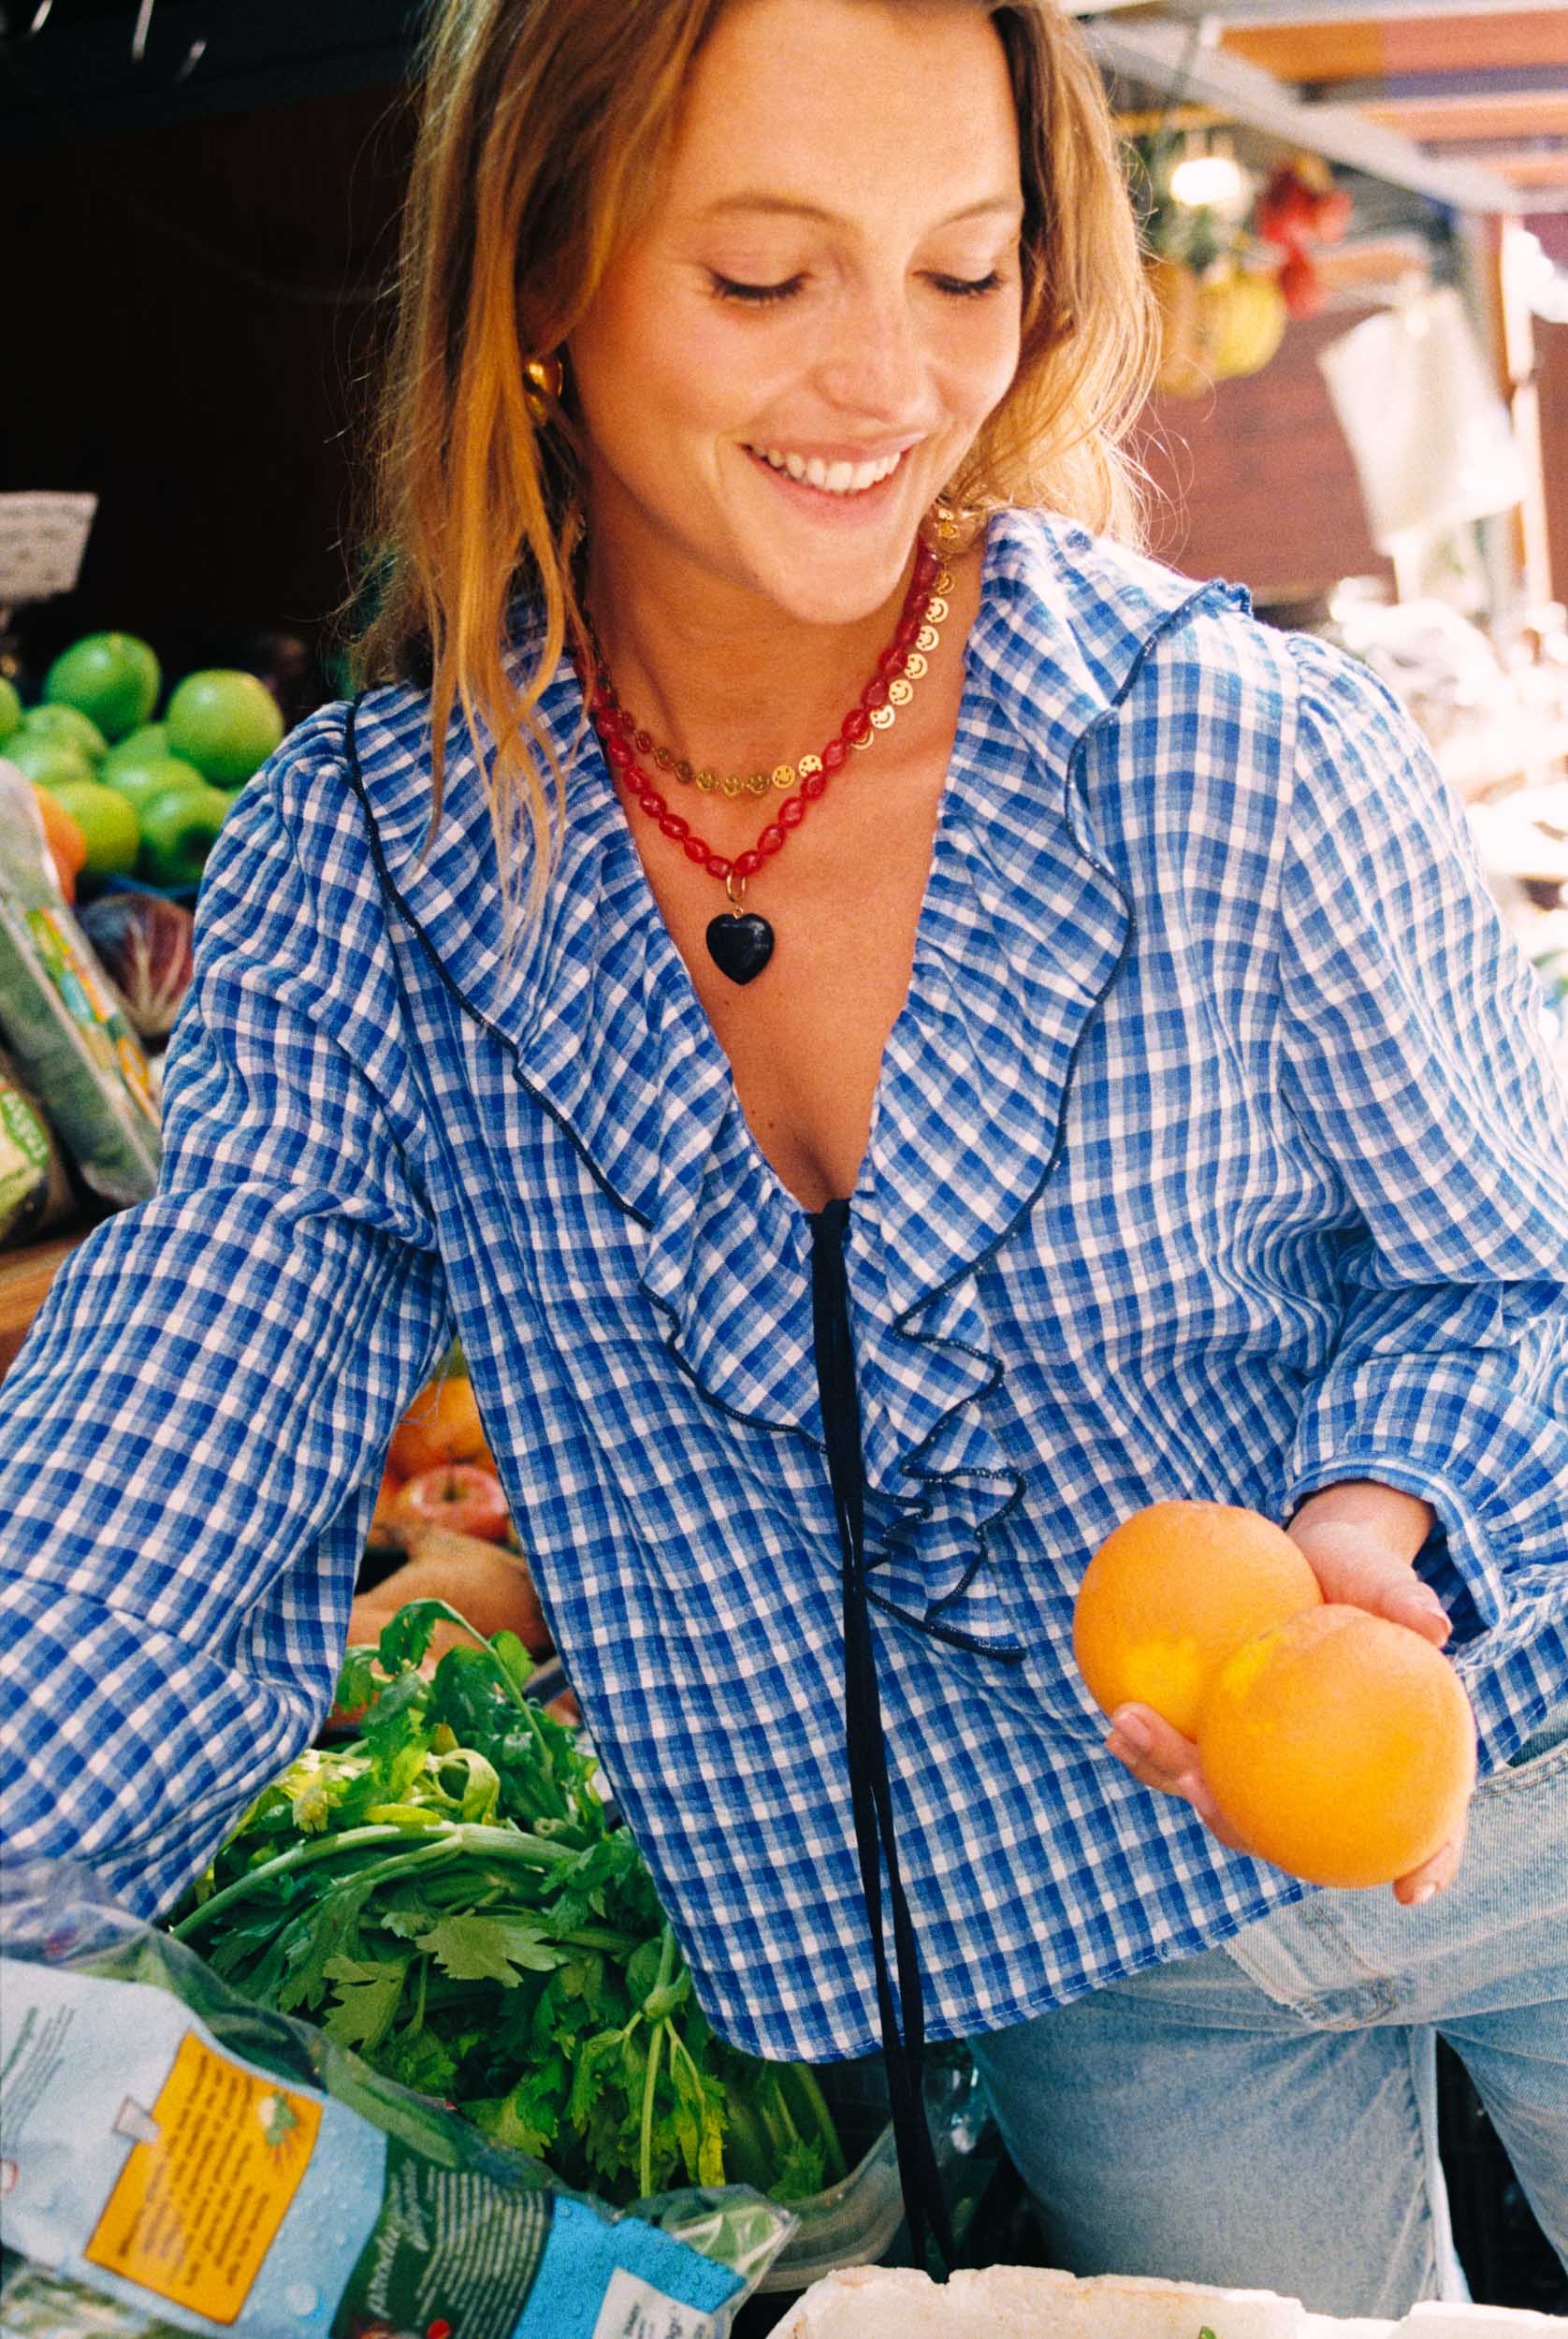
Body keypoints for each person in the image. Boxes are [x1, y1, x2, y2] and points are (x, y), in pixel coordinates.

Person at [3, 0, 1566, 2313]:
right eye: (764, 278)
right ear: (542, 280)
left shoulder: (1233, 748)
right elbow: (163, 1468)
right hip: (1073, 1954)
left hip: (1518, 1780)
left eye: (963, 268)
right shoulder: (382, 874)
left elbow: (1511, 1276)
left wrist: (1370, 1529)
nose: (889, 385)